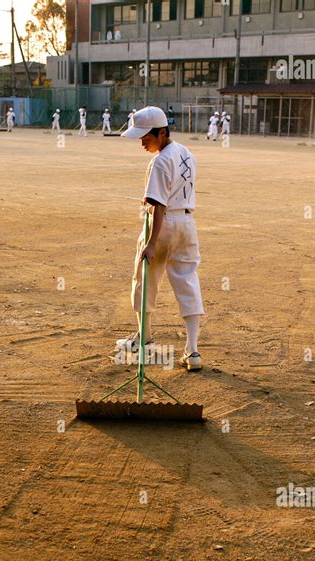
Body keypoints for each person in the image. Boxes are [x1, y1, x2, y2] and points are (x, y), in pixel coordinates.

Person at [118, 106, 205, 371]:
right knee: (188, 281)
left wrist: (152, 243)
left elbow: (159, 206)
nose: (142, 142)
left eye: (146, 136)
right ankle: (192, 351)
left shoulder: (160, 160)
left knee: (145, 279)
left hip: (163, 225)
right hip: (187, 223)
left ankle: (143, 339)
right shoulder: (186, 153)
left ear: (162, 132)